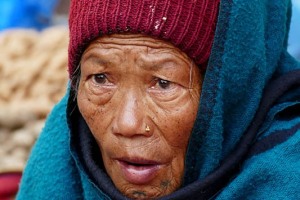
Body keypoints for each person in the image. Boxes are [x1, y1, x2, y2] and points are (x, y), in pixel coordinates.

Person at [17, 0, 300, 199]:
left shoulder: (287, 175)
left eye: (163, 83)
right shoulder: (63, 157)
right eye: (101, 78)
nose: (128, 124)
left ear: (233, 91)